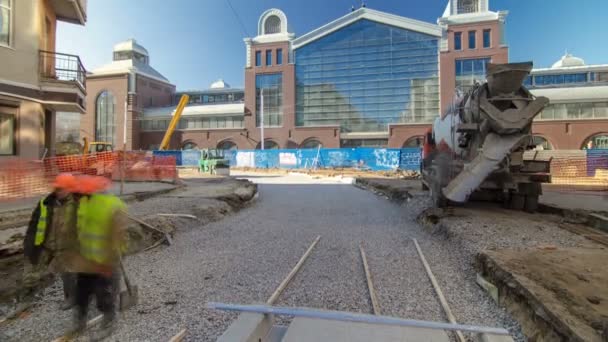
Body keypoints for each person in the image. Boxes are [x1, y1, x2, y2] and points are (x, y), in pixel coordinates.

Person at [71, 175, 127, 338]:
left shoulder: (113, 205)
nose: (78, 196)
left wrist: (109, 262)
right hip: (87, 260)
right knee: (81, 294)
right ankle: (79, 323)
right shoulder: (85, 203)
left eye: (81, 193)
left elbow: (118, 237)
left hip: (105, 261)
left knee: (104, 295)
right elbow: (81, 230)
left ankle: (109, 321)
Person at [22, 173, 79, 310]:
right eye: (57, 188)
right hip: (46, 245)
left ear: (70, 189)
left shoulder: (79, 204)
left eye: (62, 189)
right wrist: (29, 244)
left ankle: (71, 298)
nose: (58, 192)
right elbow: (33, 225)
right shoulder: (46, 203)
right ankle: (28, 296)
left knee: (68, 272)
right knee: (31, 268)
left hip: (66, 246)